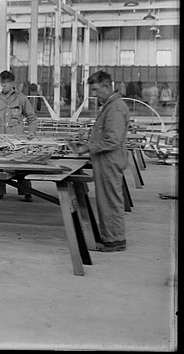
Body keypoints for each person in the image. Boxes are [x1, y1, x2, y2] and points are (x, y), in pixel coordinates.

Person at [72, 70, 129, 252]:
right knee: (106, 200)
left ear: (107, 86)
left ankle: (115, 240)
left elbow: (112, 140)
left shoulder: (116, 108)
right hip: (105, 160)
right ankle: (111, 237)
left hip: (109, 161)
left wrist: (88, 147)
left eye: (96, 90)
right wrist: (87, 142)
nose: (94, 95)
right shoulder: (110, 106)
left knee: (110, 201)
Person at [0, 70, 38, 202]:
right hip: (0, 139)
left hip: (17, 139)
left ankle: (26, 192)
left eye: (5, 85)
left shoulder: (21, 98)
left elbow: (32, 118)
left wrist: (31, 132)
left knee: (21, 167)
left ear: (12, 84)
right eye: (2, 85)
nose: (3, 87)